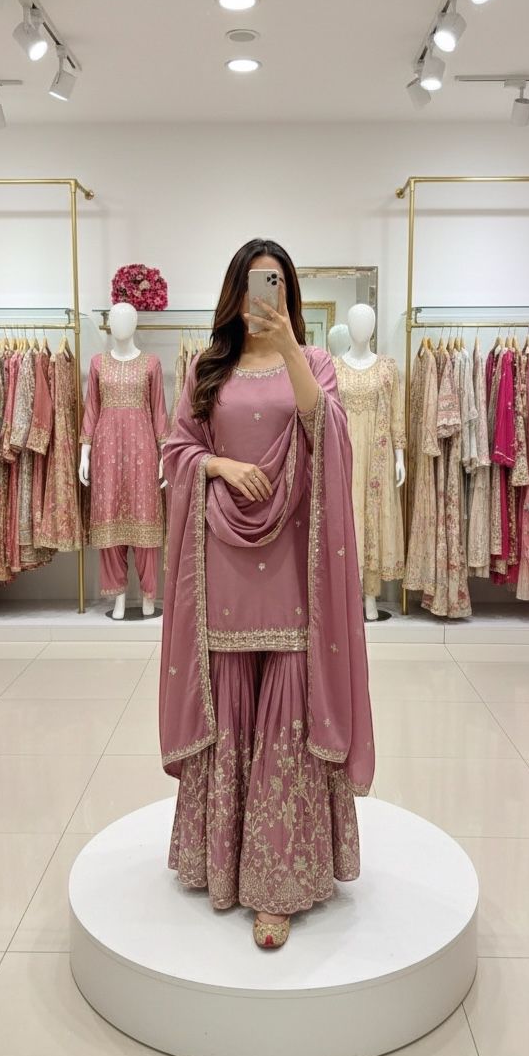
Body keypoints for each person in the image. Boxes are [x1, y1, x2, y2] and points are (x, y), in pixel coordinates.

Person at [159, 237, 375, 949]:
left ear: (289, 293)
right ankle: (221, 864)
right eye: (256, 282)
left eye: (276, 283)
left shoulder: (313, 361)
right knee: (228, 696)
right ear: (235, 291)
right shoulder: (207, 367)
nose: (264, 295)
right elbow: (177, 449)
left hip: (292, 559)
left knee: (287, 701)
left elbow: (326, 429)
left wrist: (286, 347)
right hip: (222, 555)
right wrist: (218, 465)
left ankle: (278, 884)